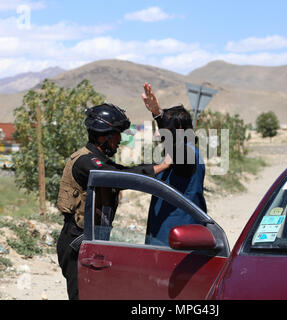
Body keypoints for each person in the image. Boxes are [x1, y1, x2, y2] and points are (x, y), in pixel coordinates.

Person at [56, 103, 171, 300]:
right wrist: (159, 168)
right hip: (77, 242)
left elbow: (122, 171)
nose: (120, 139)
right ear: (104, 135)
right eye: (117, 134)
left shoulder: (99, 159)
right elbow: (119, 177)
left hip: (92, 241)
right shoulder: (87, 161)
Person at [141, 83, 207, 246]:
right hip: (166, 236)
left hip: (178, 239)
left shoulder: (190, 154)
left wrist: (158, 115)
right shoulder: (171, 154)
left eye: (166, 125)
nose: (160, 130)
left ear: (178, 129)